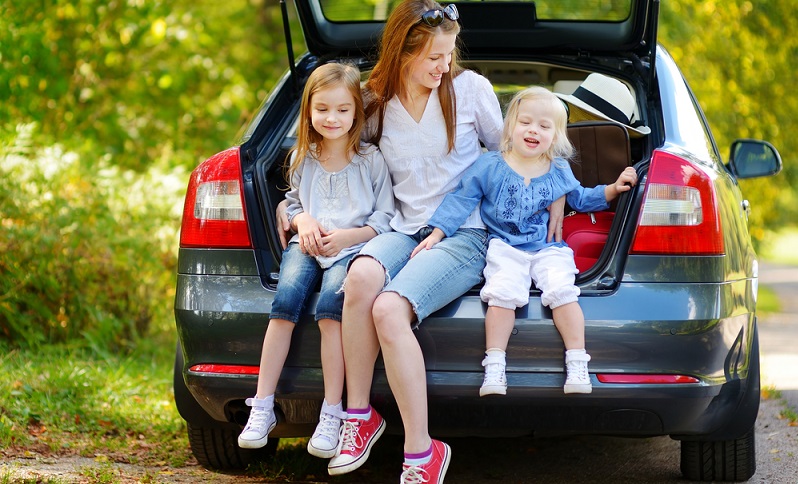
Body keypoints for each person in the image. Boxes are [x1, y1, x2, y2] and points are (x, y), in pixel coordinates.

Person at [412, 86, 638, 396]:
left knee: (563, 291)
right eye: (526, 122)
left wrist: (614, 188)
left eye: (545, 126)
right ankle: (494, 366)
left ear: (556, 137)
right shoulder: (489, 165)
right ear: (510, 127)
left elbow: (582, 199)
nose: (533, 130)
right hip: (504, 246)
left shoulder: (558, 169)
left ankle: (577, 362)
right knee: (501, 295)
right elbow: (461, 199)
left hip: (547, 247)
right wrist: (437, 233)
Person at [238, 63, 395, 459]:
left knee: (329, 312)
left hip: (351, 250)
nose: (332, 118)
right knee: (284, 304)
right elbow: (291, 202)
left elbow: (385, 219)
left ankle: (332, 412)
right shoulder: (302, 156)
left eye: (343, 110)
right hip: (306, 247)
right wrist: (300, 218)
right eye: (322, 109)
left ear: (357, 112)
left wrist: (347, 237)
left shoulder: (370, 159)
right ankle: (261, 406)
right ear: (308, 110)